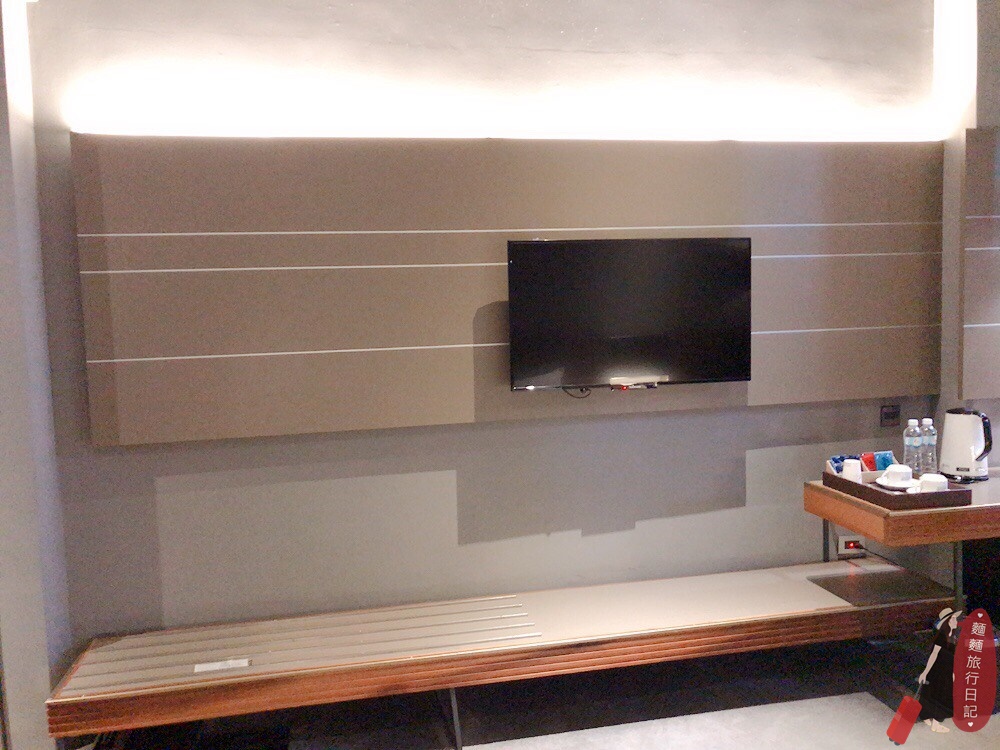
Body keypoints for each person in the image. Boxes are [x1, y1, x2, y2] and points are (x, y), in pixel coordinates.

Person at [916, 607, 962, 732]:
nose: (955, 621)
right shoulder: (942, 636)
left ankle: (927, 717)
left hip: (945, 669)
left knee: (934, 693)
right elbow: (934, 654)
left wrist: (953, 672)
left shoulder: (951, 636)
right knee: (941, 696)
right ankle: (935, 724)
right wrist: (925, 672)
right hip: (939, 670)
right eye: (952, 618)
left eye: (955, 618)